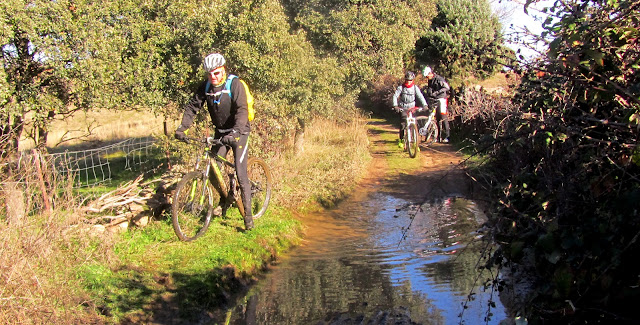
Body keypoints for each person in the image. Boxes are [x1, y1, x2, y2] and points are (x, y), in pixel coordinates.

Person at [174, 53, 254, 231]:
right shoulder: (206, 86)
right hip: (221, 132)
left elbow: (242, 110)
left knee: (241, 175)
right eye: (210, 74)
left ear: (223, 70)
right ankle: (226, 198)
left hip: (239, 132)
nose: (213, 76)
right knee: (213, 170)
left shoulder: (235, 84)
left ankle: (248, 217)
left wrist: (235, 132)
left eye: (217, 73)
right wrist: (183, 128)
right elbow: (192, 107)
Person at [392, 71, 427, 148]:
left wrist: (425, 105)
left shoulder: (415, 88)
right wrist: (395, 106)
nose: (409, 82)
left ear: (413, 80)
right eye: (407, 80)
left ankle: (415, 143)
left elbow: (420, 96)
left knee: (415, 123)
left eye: (410, 80)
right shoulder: (401, 88)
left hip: (412, 108)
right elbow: (395, 96)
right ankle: (401, 140)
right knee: (403, 124)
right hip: (403, 107)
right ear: (405, 80)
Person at [422, 66, 451, 143]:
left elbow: (447, 87)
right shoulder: (430, 80)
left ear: (430, 73)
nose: (427, 78)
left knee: (443, 116)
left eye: (427, 76)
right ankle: (438, 137)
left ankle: (448, 136)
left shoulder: (439, 79)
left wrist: (437, 93)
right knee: (437, 118)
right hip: (435, 99)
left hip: (442, 99)